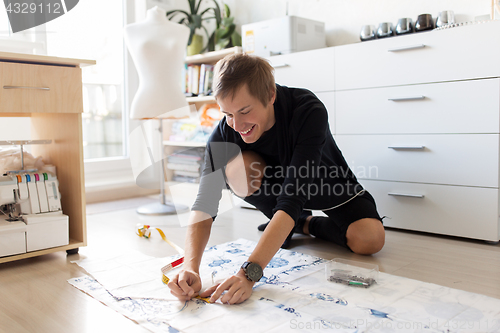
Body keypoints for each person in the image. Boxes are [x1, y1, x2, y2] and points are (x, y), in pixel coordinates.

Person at [167, 53, 385, 305]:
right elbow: (204, 204)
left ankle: (305, 223)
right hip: (278, 191)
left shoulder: (307, 109)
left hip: (325, 182)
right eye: (227, 113)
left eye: (244, 111)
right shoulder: (226, 131)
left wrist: (248, 274)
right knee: (239, 167)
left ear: (270, 95)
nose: (236, 124)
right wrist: (190, 267)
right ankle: (294, 223)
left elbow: (293, 197)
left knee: (370, 240)